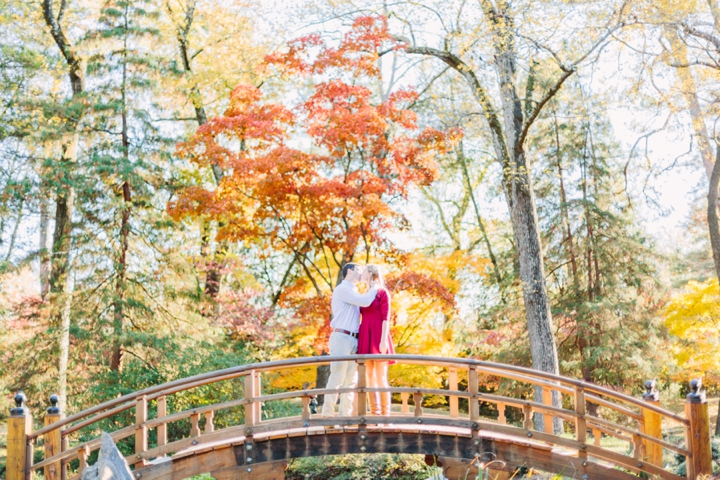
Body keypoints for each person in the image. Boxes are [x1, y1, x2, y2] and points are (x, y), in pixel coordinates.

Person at [321, 263, 377, 417]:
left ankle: (345, 416)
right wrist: (374, 287)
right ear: (349, 271)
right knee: (337, 376)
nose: (361, 274)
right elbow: (366, 301)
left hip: (354, 339)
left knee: (351, 380)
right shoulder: (342, 289)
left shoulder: (354, 291)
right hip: (342, 337)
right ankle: (327, 414)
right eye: (359, 270)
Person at [357, 264, 395, 416]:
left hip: (379, 334)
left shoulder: (382, 292)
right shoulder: (366, 293)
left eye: (364, 271)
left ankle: (385, 414)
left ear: (371, 273)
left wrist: (383, 340)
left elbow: (386, 317)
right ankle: (375, 413)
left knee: (381, 378)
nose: (361, 273)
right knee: (369, 377)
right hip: (366, 334)